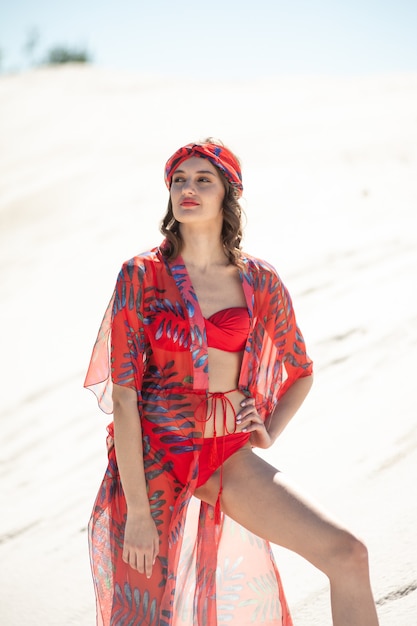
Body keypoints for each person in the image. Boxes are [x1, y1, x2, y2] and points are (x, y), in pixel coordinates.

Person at [84, 139, 380, 626]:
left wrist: (268, 428)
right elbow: (123, 395)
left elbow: (300, 371)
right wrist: (138, 509)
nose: (188, 189)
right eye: (179, 180)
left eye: (204, 180)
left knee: (348, 554)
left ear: (228, 195)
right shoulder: (141, 274)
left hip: (225, 451)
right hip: (155, 457)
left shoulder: (258, 280)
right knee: (142, 617)